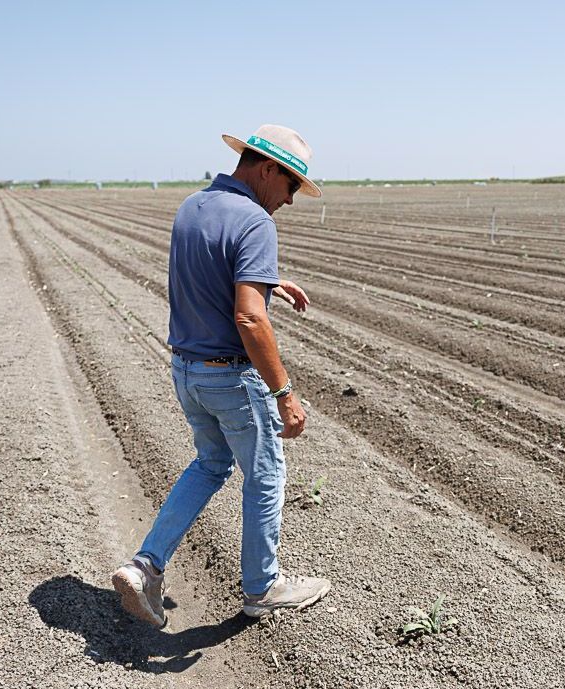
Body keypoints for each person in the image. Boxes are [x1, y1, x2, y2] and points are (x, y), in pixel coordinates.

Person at [112, 124, 328, 626]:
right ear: (268, 168)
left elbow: (209, 272)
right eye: (292, 184)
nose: (291, 200)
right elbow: (250, 317)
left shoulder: (194, 206)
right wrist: (285, 393)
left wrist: (271, 278)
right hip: (232, 379)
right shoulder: (255, 221)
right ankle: (263, 587)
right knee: (267, 475)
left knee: (211, 465)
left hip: (187, 370)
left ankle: (145, 565)